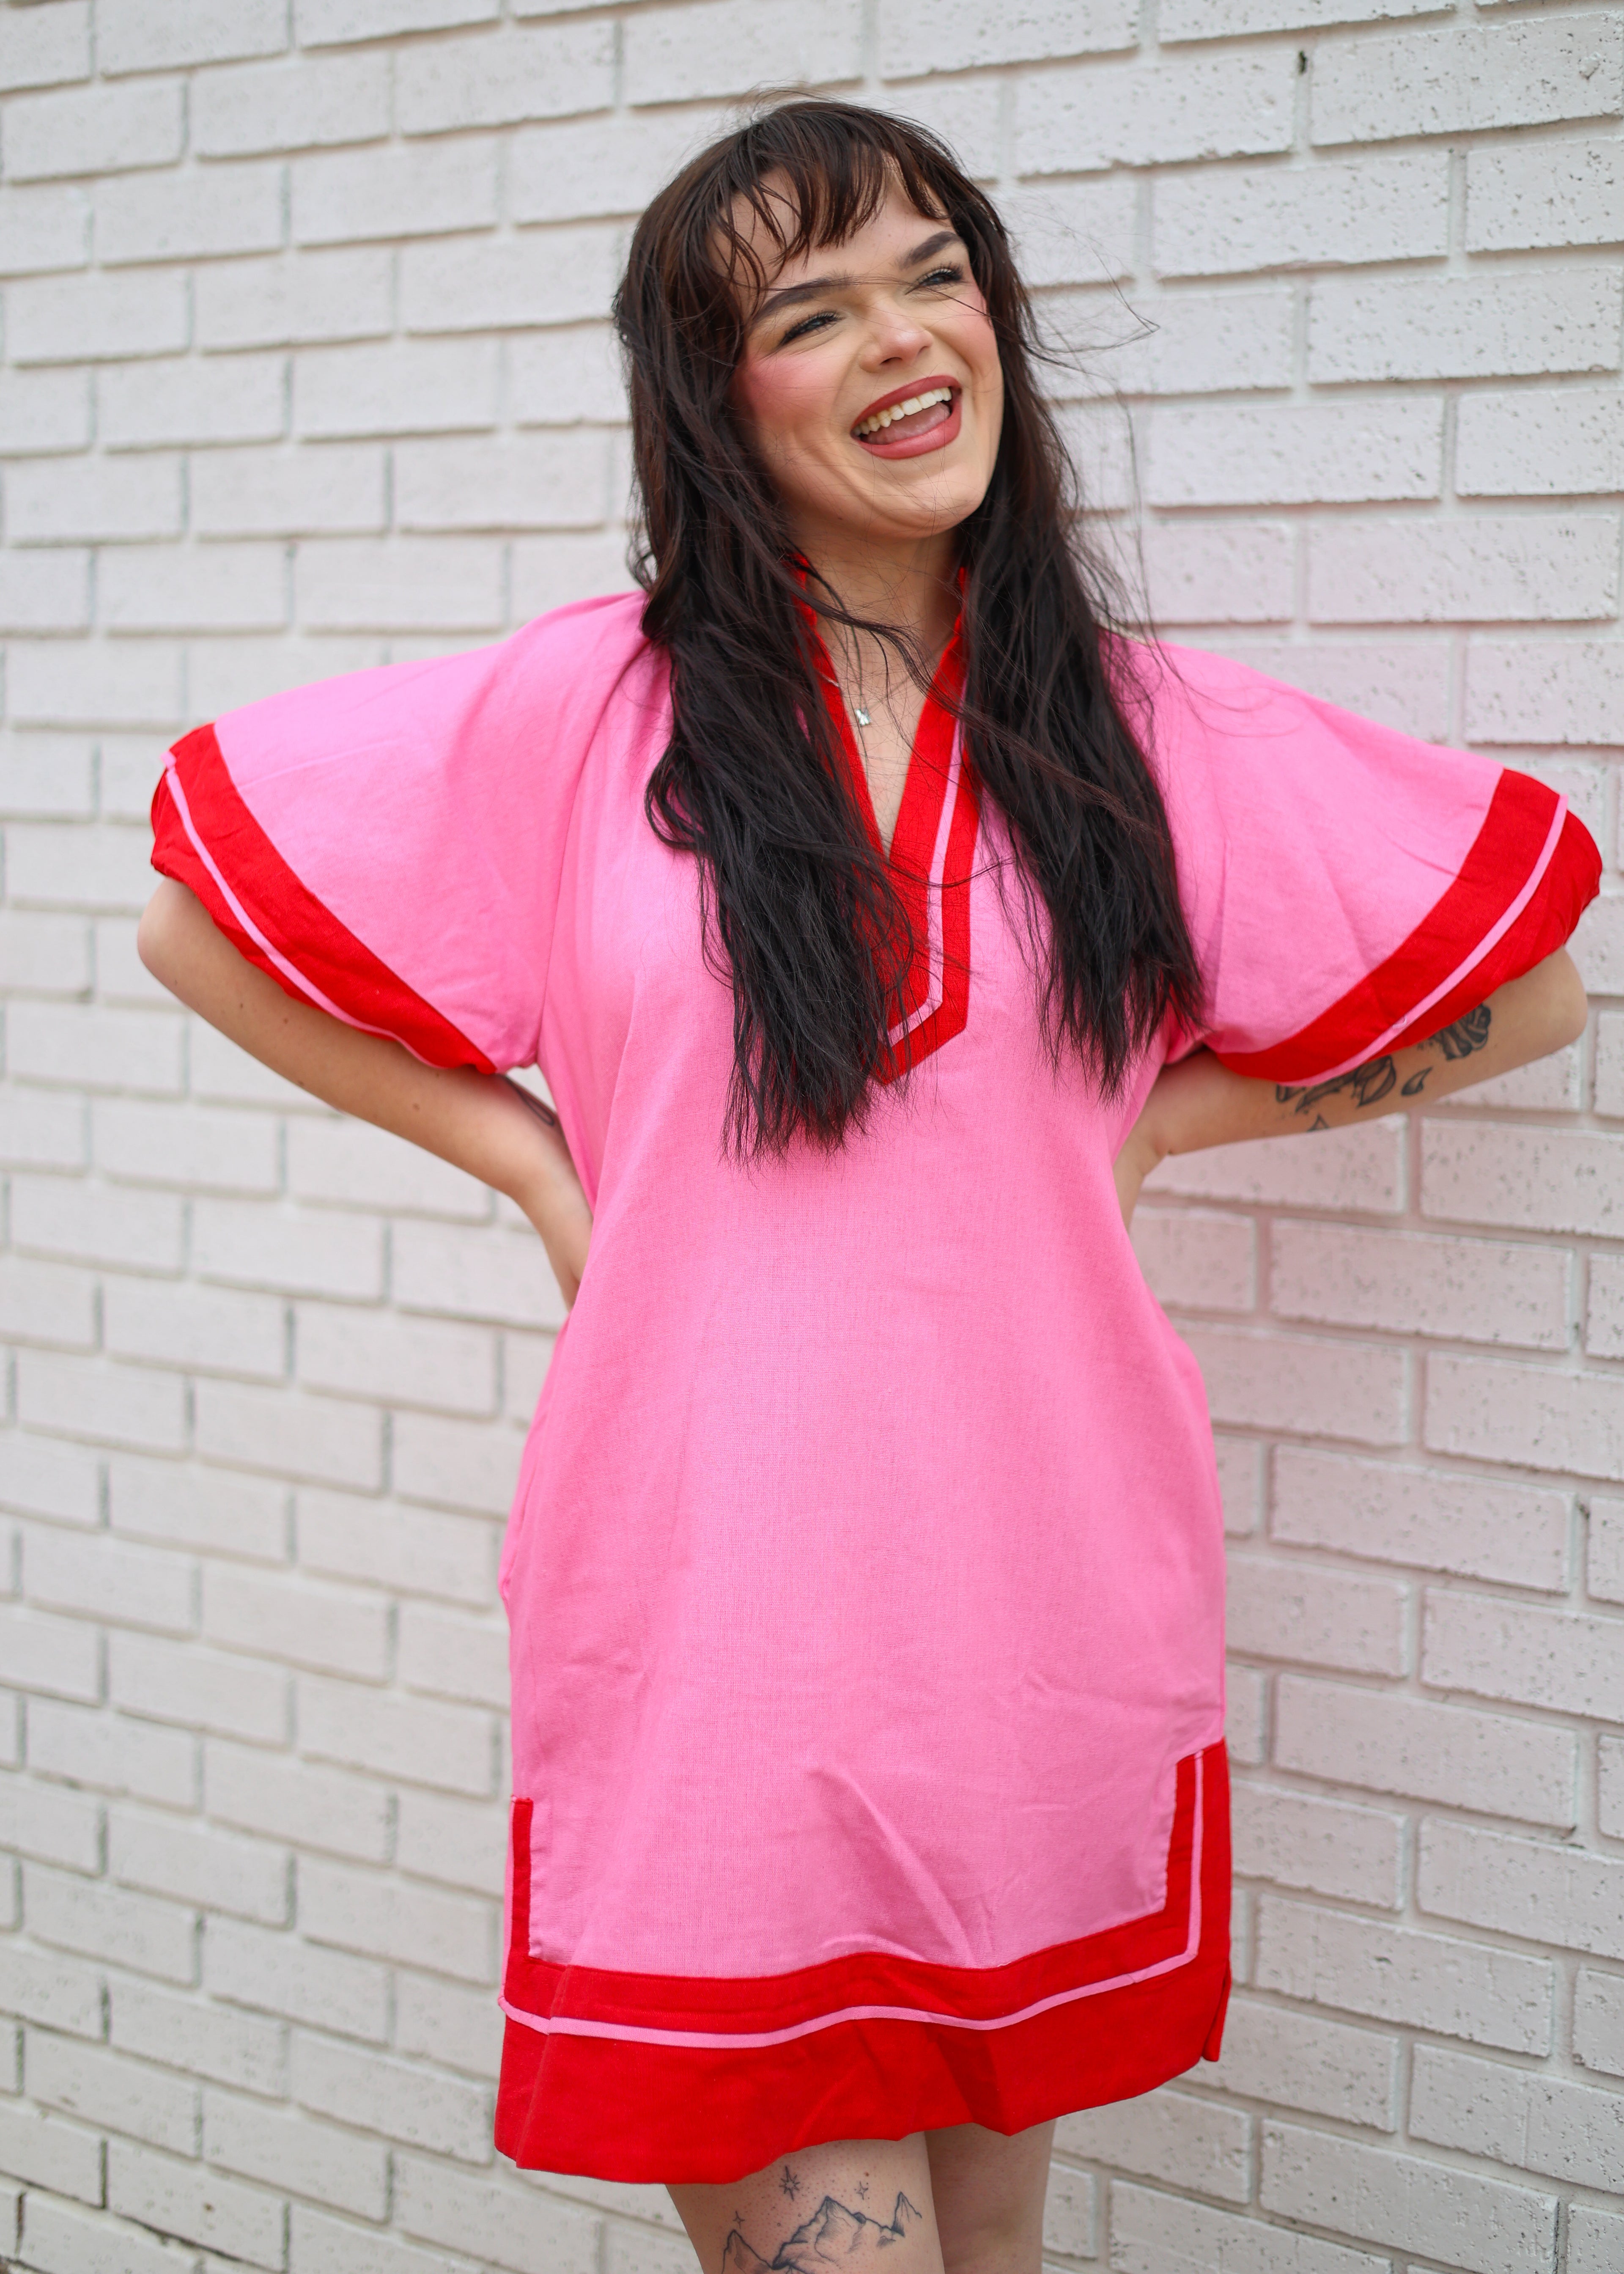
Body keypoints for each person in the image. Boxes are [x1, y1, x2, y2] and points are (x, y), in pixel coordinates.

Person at [139, 95, 1596, 2274]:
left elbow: (1539, 985)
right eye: (810, 310)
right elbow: (198, 923)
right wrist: (545, 1180)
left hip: (1030, 1618)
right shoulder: (587, 716)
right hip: (711, 1625)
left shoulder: (1128, 731)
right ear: (714, 400)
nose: (911, 340)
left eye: (938, 274)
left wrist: (1161, 1117)